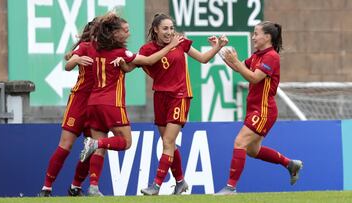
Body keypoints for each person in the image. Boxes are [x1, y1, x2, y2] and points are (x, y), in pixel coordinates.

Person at [77, 14, 184, 196]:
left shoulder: (92, 48)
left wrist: (72, 59)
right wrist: (172, 46)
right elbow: (149, 61)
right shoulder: (122, 53)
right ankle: (95, 143)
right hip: (112, 104)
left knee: (101, 148)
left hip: (93, 103)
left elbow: (70, 57)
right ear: (114, 34)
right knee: (125, 142)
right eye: (125, 31)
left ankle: (93, 186)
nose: (128, 34)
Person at [124, 13, 227, 195]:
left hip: (180, 96)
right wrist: (118, 61)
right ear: (155, 30)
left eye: (171, 28)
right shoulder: (147, 49)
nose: (170, 32)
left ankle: (156, 185)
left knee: (168, 141)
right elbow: (131, 66)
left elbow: (203, 59)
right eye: (165, 28)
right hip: (160, 97)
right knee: (168, 143)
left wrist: (218, 46)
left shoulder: (181, 42)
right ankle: (180, 182)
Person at [215, 21, 303, 195]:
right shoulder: (257, 55)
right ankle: (290, 164)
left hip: (264, 110)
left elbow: (254, 78)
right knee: (252, 151)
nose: (253, 37)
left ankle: (231, 188)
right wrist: (218, 49)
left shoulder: (271, 56)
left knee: (240, 142)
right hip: (255, 109)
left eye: (256, 33)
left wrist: (236, 62)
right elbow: (237, 67)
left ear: (267, 37)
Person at [38, 18, 96, 197]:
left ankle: (75, 187)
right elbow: (68, 65)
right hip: (79, 103)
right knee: (66, 145)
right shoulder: (85, 46)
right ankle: (46, 188)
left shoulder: (110, 50)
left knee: (91, 148)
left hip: (98, 104)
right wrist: (76, 58)